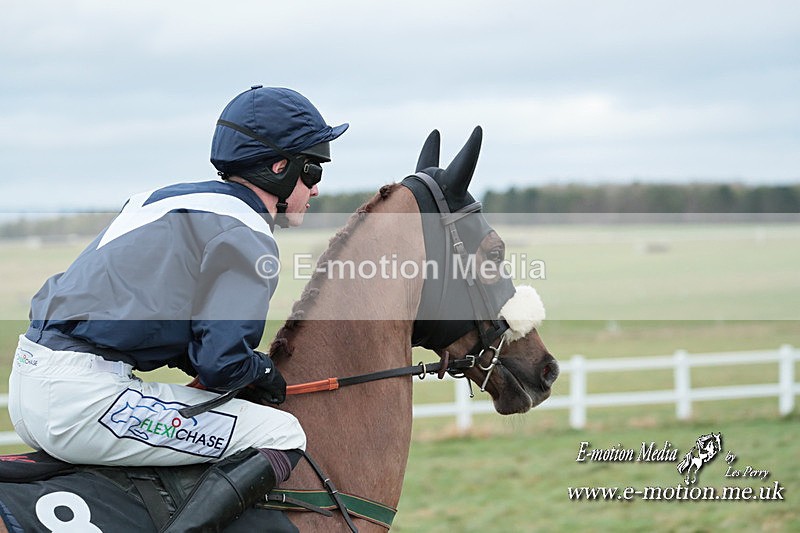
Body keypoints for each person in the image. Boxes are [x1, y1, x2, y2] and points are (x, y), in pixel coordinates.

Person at [7, 85, 348, 531]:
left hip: (30, 385)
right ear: (280, 167)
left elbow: (157, 319)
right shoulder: (246, 233)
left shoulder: (160, 199)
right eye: (312, 169)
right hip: (83, 400)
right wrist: (262, 372)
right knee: (280, 434)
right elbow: (222, 363)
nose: (317, 188)